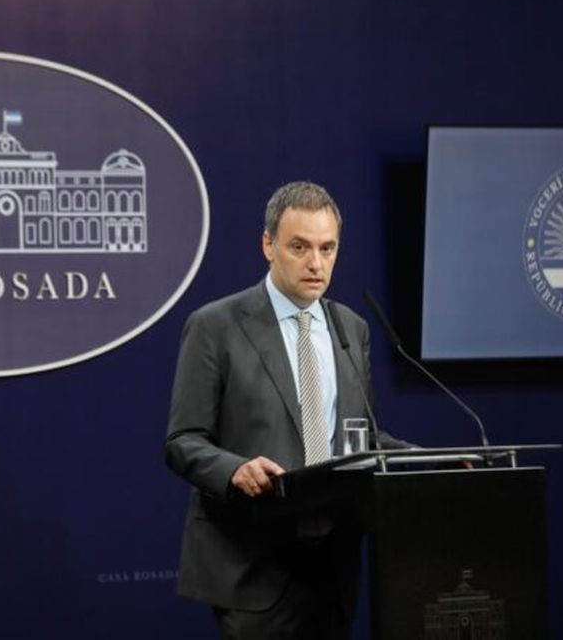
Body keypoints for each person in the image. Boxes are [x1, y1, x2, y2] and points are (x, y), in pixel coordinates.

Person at [164, 181, 410, 639]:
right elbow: (182, 442)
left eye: (327, 248)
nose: (316, 263)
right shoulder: (216, 325)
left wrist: (427, 462)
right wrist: (235, 470)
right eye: (299, 247)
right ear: (268, 246)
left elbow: (363, 438)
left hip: (334, 563)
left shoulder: (350, 328)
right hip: (254, 562)